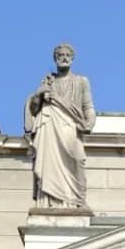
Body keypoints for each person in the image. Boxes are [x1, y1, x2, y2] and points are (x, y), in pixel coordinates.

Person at [24, 43, 97, 208]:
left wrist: (89, 123)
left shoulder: (81, 81)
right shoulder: (48, 82)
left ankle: (77, 201)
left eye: (67, 55)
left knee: (77, 159)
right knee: (48, 163)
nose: (64, 58)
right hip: (49, 125)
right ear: (55, 59)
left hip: (71, 127)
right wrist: (39, 93)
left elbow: (89, 107)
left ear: (72, 58)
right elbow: (34, 109)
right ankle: (50, 201)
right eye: (60, 55)